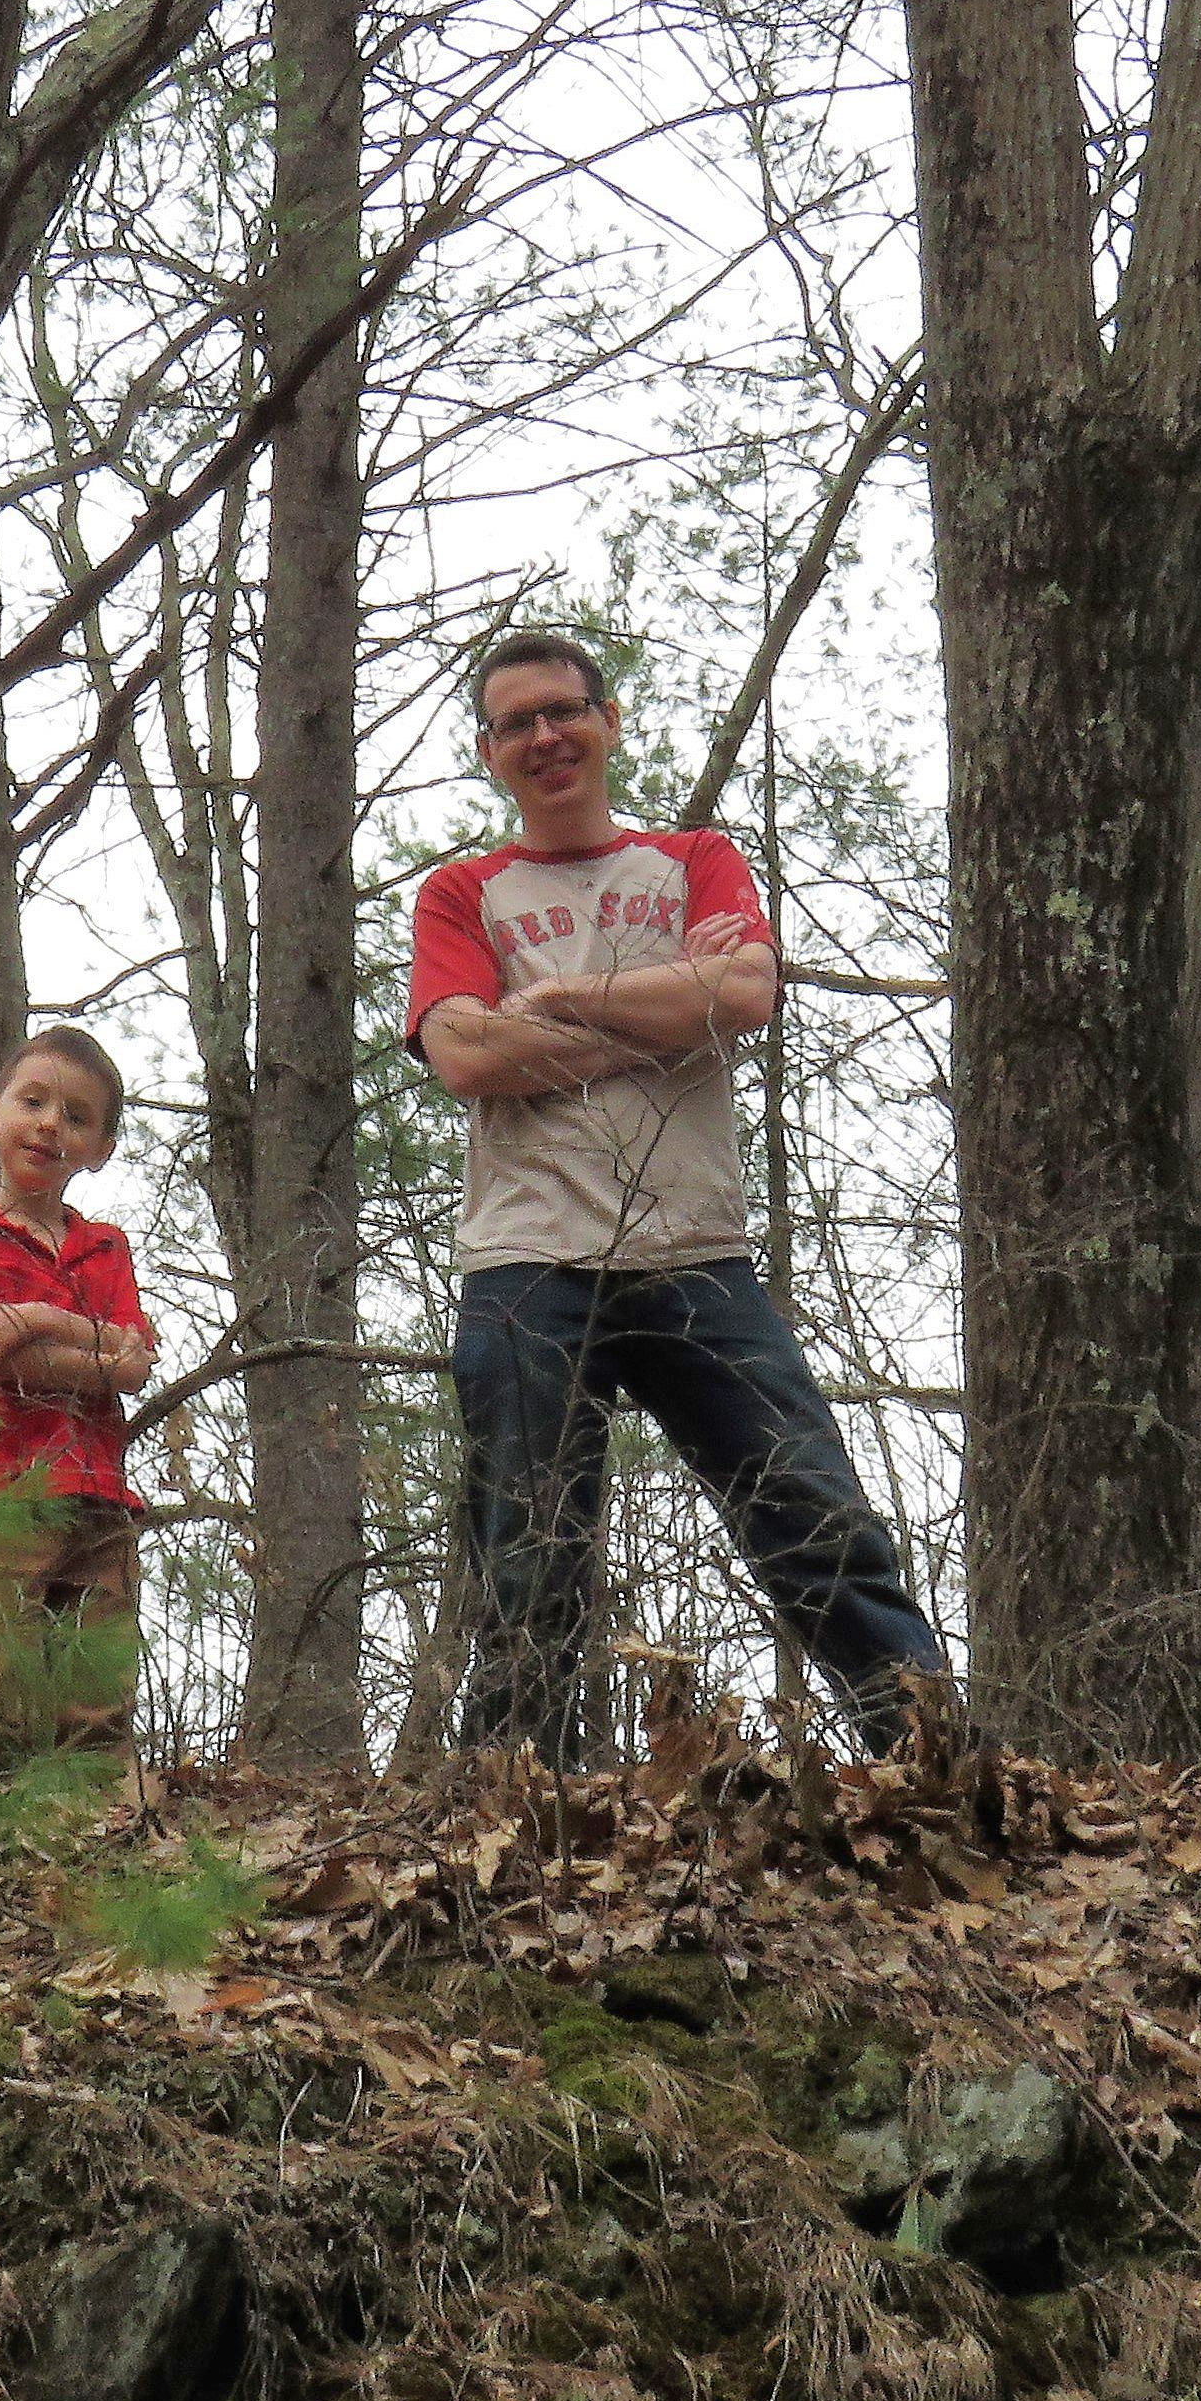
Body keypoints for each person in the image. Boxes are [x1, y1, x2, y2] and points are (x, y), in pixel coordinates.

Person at [407, 630, 949, 1760]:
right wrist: (665, 1014)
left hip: (694, 1251)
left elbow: (743, 993)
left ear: (607, 722)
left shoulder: (693, 860)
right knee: (527, 1557)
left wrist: (560, 1000)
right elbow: (463, 1055)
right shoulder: (461, 894)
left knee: (815, 1518)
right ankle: (516, 1805)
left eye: (565, 711)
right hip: (525, 1258)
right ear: (488, 752)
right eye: (516, 724)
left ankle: (935, 1767)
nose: (546, 737)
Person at [0, 1025, 159, 1775]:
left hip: (100, 1497)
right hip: (6, 1492)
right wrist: (96, 1352)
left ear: (100, 1149)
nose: (51, 1124)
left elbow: (134, 1366)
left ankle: (102, 1827)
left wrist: (35, 1317)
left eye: (76, 1116)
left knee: (97, 1687)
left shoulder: (106, 1248)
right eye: (34, 1102)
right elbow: (0, 1362)